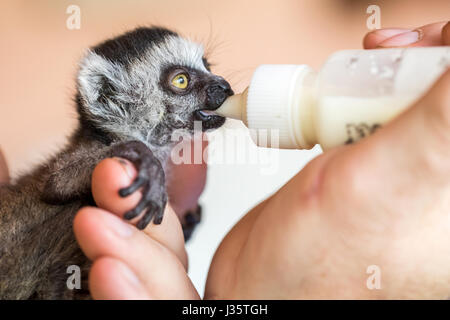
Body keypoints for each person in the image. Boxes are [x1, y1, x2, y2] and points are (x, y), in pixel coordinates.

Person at [1, 21, 449, 299]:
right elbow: (59, 183)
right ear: (108, 97)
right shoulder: (96, 159)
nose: (216, 86)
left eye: (205, 66)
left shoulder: (163, 176)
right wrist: (131, 155)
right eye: (180, 81)